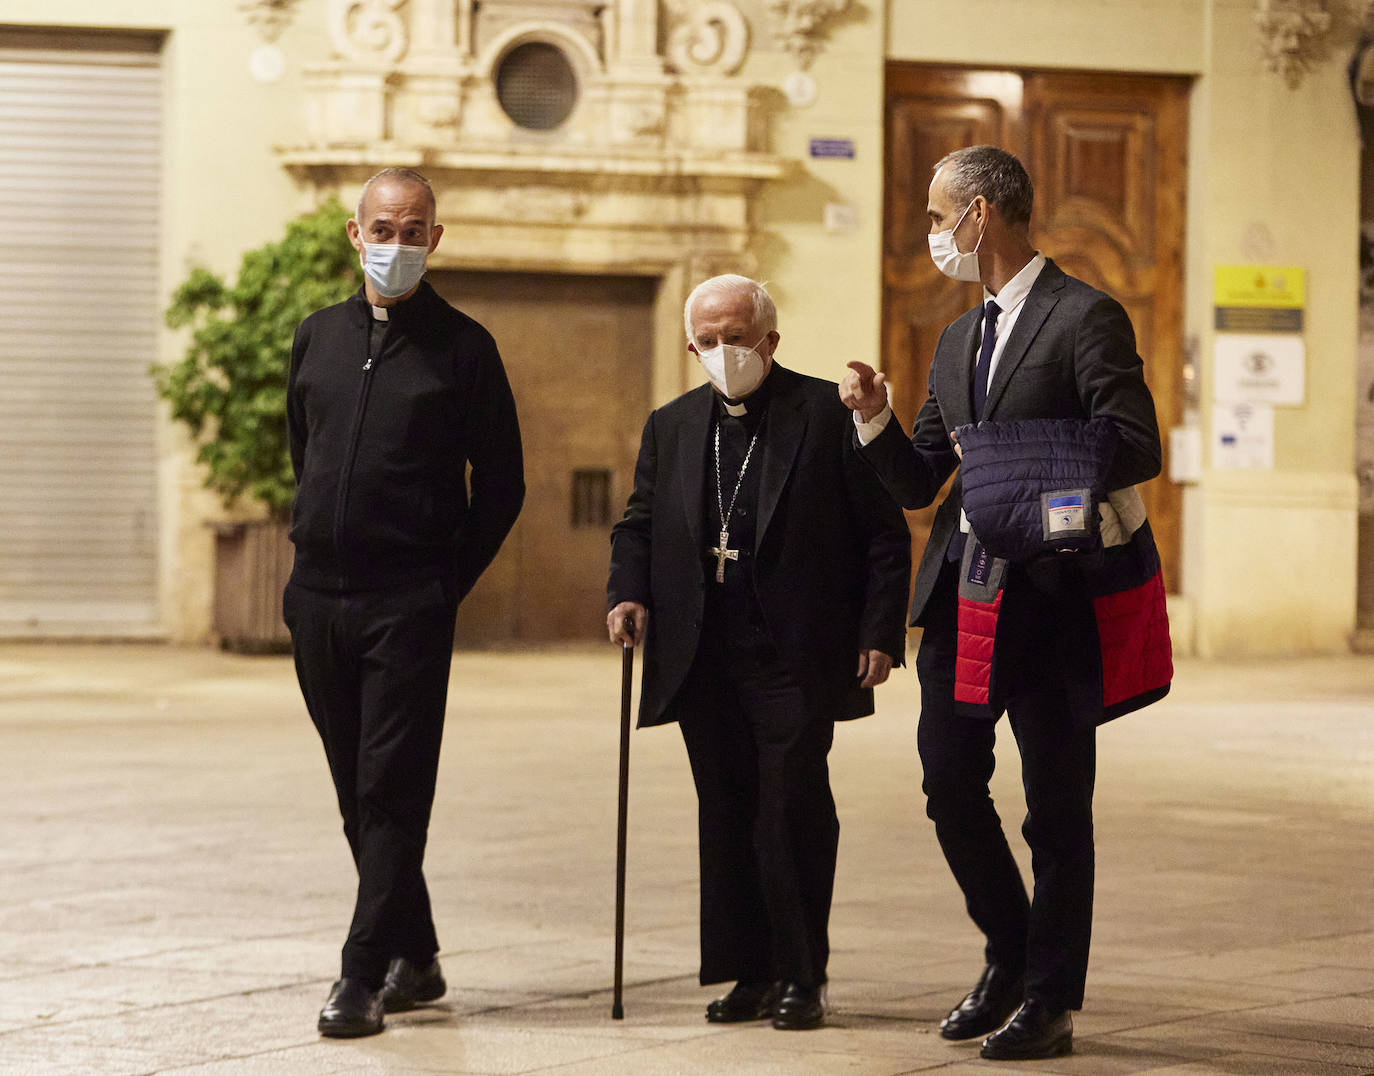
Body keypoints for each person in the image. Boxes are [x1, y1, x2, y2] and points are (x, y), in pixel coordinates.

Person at [840, 146, 1166, 1060]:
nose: (934, 234)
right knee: (948, 784)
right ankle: (1010, 954)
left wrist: (1032, 473)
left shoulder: (1083, 316)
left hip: (1056, 600)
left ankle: (1052, 998)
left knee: (1057, 810)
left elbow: (1134, 441)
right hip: (963, 596)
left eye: (941, 217)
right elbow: (920, 483)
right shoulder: (955, 340)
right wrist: (873, 419)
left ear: (983, 214)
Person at [607, 274, 910, 1031]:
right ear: (689, 346)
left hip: (796, 652)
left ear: (770, 340)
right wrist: (626, 591)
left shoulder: (823, 414)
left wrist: (878, 631)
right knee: (728, 810)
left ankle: (802, 976)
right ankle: (747, 972)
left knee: (789, 807)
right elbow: (637, 524)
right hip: (701, 650)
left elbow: (883, 532)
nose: (723, 352)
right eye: (707, 341)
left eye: (737, 337)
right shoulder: (671, 425)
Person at [284, 167, 524, 1038]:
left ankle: (362, 974)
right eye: (382, 228)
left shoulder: (465, 349)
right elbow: (302, 454)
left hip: (405, 604)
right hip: (317, 600)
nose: (397, 244)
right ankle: (415, 953)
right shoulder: (315, 338)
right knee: (355, 785)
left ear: (436, 238)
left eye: (413, 229)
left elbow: (502, 487)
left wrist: (438, 585)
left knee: (391, 787)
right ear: (356, 236)